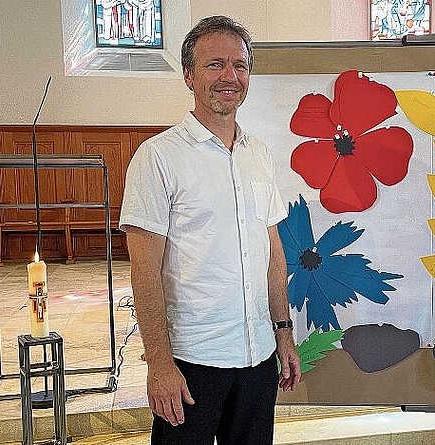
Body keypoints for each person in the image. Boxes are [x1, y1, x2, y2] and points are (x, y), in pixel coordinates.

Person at [119, 15, 301, 445]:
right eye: (214, 65)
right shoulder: (158, 157)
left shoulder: (258, 154)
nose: (229, 76)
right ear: (188, 75)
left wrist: (284, 333)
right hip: (191, 361)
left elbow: (272, 254)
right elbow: (144, 271)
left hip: (258, 356)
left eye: (239, 65)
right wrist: (159, 362)